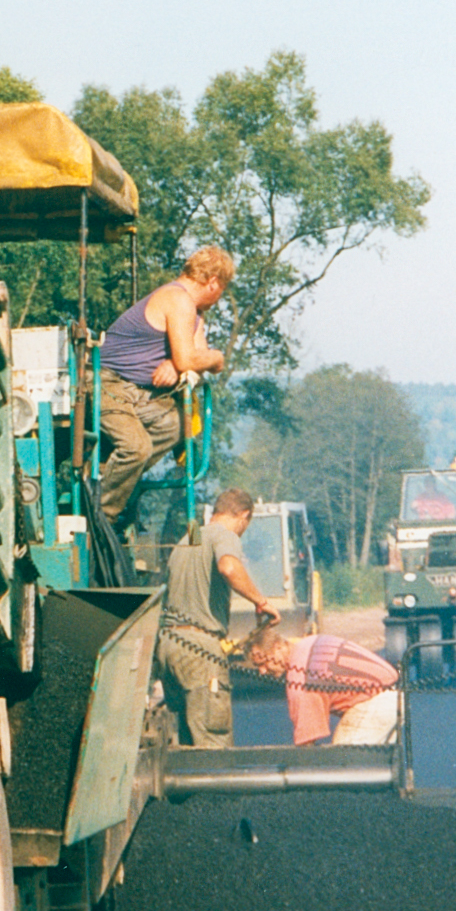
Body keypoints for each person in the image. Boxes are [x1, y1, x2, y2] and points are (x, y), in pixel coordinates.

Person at [95, 247, 233, 524]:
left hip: (135, 392)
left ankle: (111, 475)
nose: (219, 298)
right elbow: (198, 358)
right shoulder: (177, 299)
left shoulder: (195, 315)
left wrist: (178, 363)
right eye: (223, 290)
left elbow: (194, 363)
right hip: (106, 383)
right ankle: (101, 516)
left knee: (177, 424)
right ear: (213, 283)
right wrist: (215, 358)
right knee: (137, 448)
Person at [154, 488, 280, 747]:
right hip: (199, 649)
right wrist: (260, 601)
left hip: (169, 646)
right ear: (243, 516)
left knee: (185, 743)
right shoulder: (225, 535)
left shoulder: (190, 537)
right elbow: (229, 567)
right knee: (213, 744)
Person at [245, 627, 400, 745]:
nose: (262, 671)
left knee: (345, 765)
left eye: (263, 663)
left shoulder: (300, 679)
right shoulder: (308, 642)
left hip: (374, 703)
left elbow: (307, 741)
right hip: (396, 694)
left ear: (278, 647)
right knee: (378, 768)